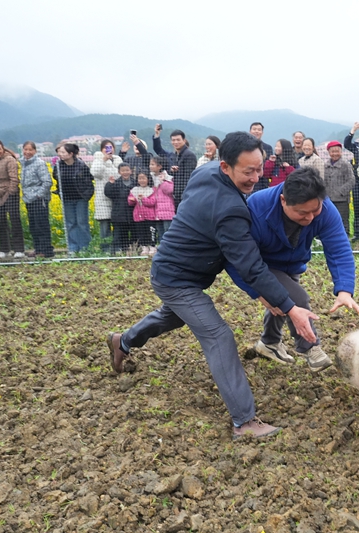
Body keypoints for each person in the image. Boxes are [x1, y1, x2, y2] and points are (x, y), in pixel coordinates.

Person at [107, 132, 318, 440]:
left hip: (178, 270)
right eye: (248, 171)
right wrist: (289, 308)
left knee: (174, 315)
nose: (256, 177)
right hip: (176, 278)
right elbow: (251, 267)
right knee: (218, 336)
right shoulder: (230, 210)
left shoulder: (205, 172)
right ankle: (244, 422)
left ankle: (122, 341)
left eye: (259, 168)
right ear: (225, 167)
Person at [227, 167, 359, 372]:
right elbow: (236, 255)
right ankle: (311, 348)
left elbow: (338, 248)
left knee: (281, 304)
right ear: (283, 200)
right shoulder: (257, 207)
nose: (310, 217)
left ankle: (269, 343)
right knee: (296, 299)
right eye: (302, 212)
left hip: (292, 263)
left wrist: (344, 290)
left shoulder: (325, 209)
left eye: (314, 211)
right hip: (261, 265)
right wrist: (257, 291)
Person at [53, 143, 94, 254]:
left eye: (63, 152)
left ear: (71, 154)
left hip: (80, 198)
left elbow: (89, 181)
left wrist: (86, 196)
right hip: (67, 198)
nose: (60, 154)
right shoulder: (58, 165)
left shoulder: (81, 165)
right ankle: (73, 247)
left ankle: (85, 248)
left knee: (82, 223)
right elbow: (55, 178)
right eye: (59, 152)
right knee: (70, 223)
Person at [0, 140, 25, 258]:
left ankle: (19, 249)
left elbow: (14, 178)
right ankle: (4, 249)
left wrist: (10, 192)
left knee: (14, 220)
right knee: (1, 221)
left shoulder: (10, 159)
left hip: (10, 192)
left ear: (3, 148)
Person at [19, 142, 54, 258]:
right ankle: (38, 248)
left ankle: (46, 250)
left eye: (30, 150)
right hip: (28, 199)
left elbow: (47, 181)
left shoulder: (39, 164)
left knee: (41, 225)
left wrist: (39, 195)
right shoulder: (23, 163)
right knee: (33, 225)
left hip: (39, 200)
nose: (27, 152)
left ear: (35, 151)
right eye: (25, 149)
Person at [152, 124, 197, 211]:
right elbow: (158, 150)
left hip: (184, 196)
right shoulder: (174, 155)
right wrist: (172, 171)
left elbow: (188, 177)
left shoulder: (189, 155)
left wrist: (183, 196)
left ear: (184, 140)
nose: (175, 142)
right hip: (175, 195)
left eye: (178, 140)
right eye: (173, 140)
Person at [90, 139, 124, 252]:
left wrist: (112, 163)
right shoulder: (98, 159)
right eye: (106, 147)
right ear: (101, 149)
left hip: (116, 199)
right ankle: (105, 249)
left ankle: (116, 247)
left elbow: (121, 174)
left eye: (110, 147)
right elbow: (95, 173)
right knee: (104, 226)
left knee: (118, 225)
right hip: (102, 199)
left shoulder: (118, 160)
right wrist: (104, 160)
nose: (108, 150)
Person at [324, 140, 355, 235]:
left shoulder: (345, 164)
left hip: (342, 199)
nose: (335, 154)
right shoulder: (325, 165)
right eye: (332, 151)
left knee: (343, 220)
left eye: (337, 151)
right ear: (329, 152)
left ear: (341, 152)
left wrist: (341, 192)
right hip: (328, 199)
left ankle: (345, 238)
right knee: (328, 220)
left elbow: (351, 180)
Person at [104, 163, 136, 255]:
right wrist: (110, 184)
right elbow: (108, 193)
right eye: (123, 170)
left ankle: (132, 249)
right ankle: (117, 250)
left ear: (131, 171)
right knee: (119, 234)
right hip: (118, 214)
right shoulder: (116, 183)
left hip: (133, 214)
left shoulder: (135, 183)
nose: (125, 172)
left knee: (134, 233)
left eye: (127, 170)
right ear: (119, 172)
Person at [128, 171, 157, 256]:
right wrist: (132, 200)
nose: (142, 180)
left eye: (144, 178)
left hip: (150, 216)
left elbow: (152, 202)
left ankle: (152, 246)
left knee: (151, 232)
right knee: (141, 232)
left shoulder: (152, 190)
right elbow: (130, 201)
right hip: (138, 216)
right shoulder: (134, 190)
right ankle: (144, 247)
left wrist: (143, 199)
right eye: (140, 178)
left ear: (148, 179)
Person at [150, 155, 175, 240]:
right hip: (156, 212)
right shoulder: (150, 176)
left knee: (168, 232)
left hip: (167, 211)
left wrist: (162, 181)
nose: (150, 166)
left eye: (153, 164)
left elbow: (170, 190)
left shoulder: (167, 176)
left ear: (159, 166)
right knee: (160, 233)